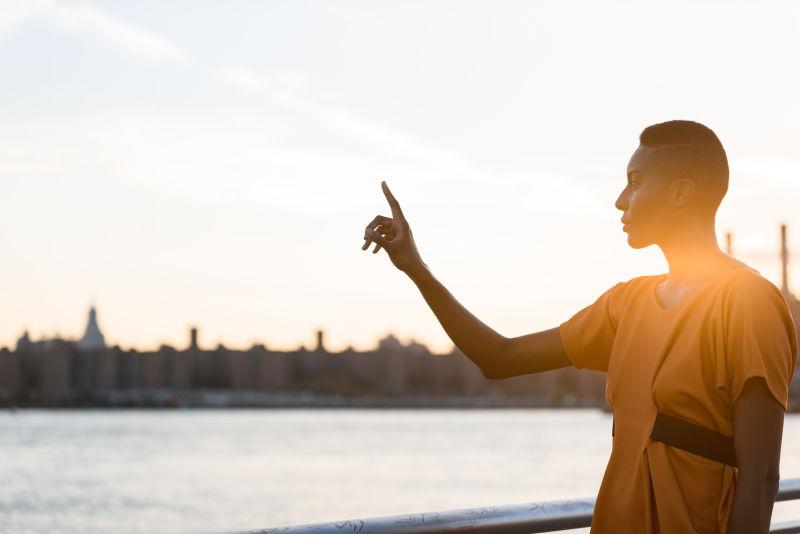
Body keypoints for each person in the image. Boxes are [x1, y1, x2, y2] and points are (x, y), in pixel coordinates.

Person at [360, 120, 797, 534]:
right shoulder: (627, 303)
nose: (621, 199)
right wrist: (417, 269)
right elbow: (499, 358)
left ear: (682, 192)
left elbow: (760, 479)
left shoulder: (749, 301)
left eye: (636, 181)